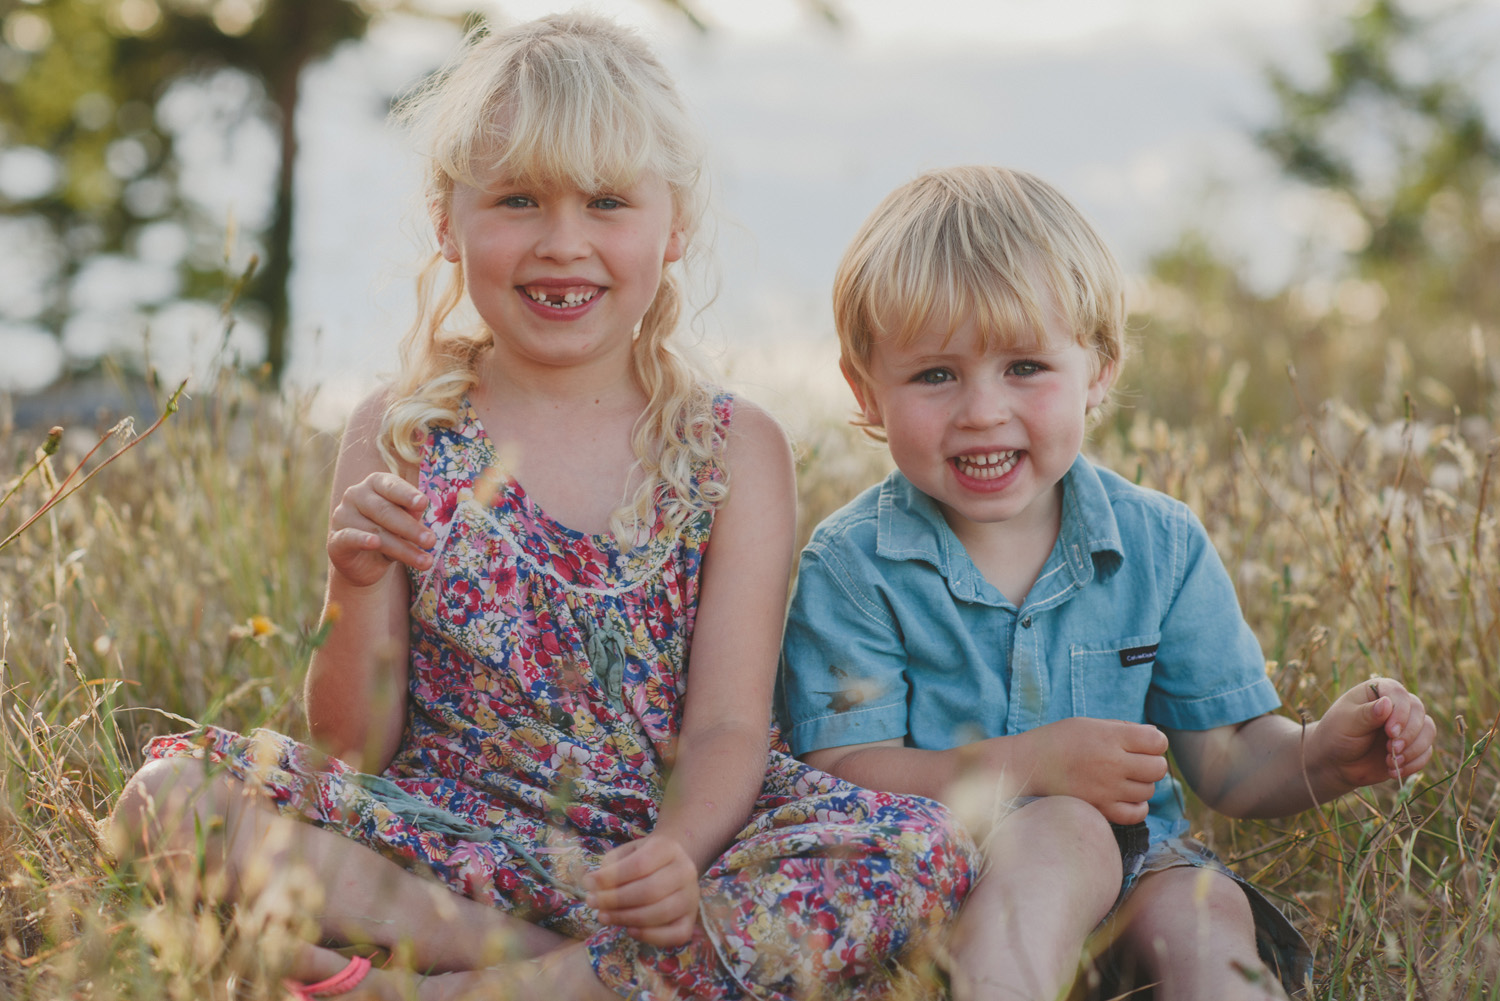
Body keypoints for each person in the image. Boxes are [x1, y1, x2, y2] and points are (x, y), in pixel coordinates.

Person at [110, 16, 975, 1001]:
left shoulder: (733, 445)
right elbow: (354, 748)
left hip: (664, 843)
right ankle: (573, 976)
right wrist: (352, 581)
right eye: (518, 200)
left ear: (674, 224)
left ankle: (431, 986)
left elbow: (734, 721)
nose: (564, 244)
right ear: (450, 219)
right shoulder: (404, 431)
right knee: (166, 801)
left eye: (607, 202)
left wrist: (679, 850)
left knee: (916, 847)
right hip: (461, 832)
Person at [778, 165, 1437, 1001]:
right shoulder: (854, 565)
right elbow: (841, 768)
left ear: (1097, 369)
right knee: (1060, 832)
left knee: (1205, 917)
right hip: (934, 881)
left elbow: (1229, 761)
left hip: (1140, 874)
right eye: (936, 375)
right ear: (865, 389)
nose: (983, 410)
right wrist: (1030, 765)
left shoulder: (1157, 543)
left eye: (1024, 366)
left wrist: (1324, 752)